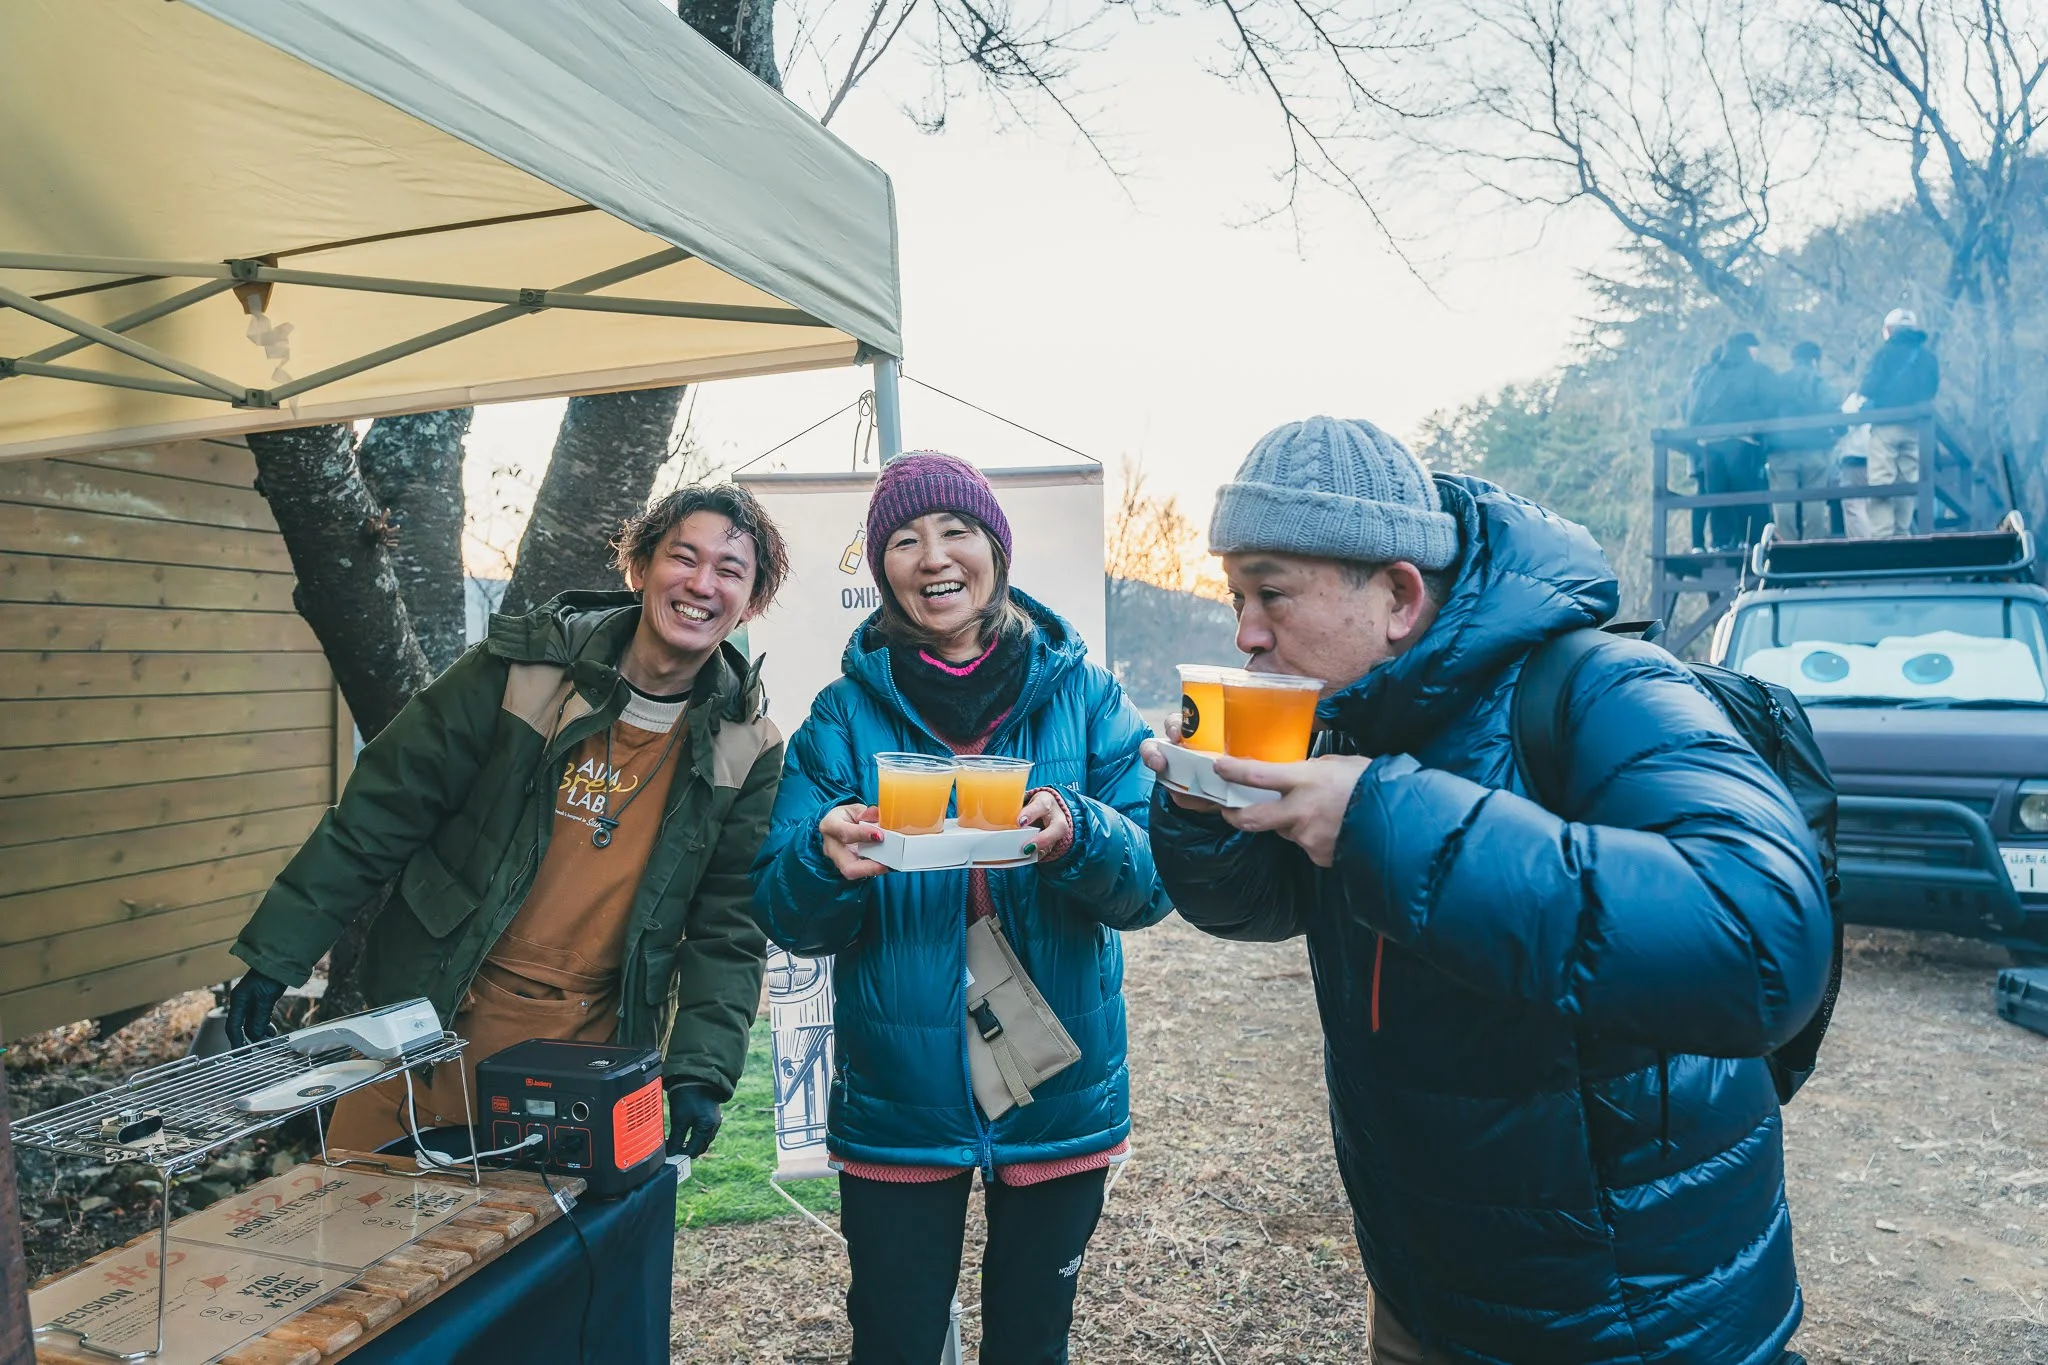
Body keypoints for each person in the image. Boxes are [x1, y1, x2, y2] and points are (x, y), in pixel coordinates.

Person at [1143, 417, 1833, 1364]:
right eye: (1236, 597)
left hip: (1629, 1322)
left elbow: (1763, 940)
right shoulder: (1344, 717)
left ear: (1396, 593)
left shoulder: (1601, 687)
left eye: (1270, 594)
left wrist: (1385, 819)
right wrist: (1198, 807)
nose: (1245, 631)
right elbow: (1260, 907)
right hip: (1426, 1295)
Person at [224, 485, 790, 1163]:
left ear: (751, 600)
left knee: (525, 1257)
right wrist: (278, 953)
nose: (701, 584)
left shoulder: (748, 746)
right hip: (430, 1011)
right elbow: (383, 805)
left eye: (730, 570)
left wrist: (702, 1069)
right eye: (683, 557)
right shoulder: (521, 671)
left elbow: (728, 927)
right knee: (361, 1228)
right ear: (639, 568)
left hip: (584, 1056)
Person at [752, 452, 1171, 1365]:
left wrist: (1079, 832)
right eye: (903, 539)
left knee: (1031, 1340)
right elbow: (787, 911)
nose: (932, 556)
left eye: (955, 531)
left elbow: (1153, 880)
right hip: (903, 1097)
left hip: (1055, 1084)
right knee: (894, 1341)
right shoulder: (840, 718)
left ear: (995, 551)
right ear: (882, 570)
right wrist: (824, 862)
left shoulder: (1088, 698)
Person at [1845, 307, 1940, 537]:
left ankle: (1883, 536)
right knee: (1908, 480)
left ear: (1888, 329)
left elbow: (1868, 386)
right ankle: (1902, 532)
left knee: (1881, 480)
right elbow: (1932, 388)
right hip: (1916, 427)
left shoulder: (1885, 352)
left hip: (1886, 425)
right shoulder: (1927, 356)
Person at [1684, 330, 1777, 551]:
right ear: (1749, 348)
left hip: (1711, 443)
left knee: (1717, 493)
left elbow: (1694, 410)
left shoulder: (1710, 374)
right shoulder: (1757, 371)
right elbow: (1771, 404)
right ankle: (1750, 542)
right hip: (1742, 440)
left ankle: (1721, 542)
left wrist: (1700, 430)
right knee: (1745, 491)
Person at [1768, 340, 1842, 540]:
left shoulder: (1778, 382)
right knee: (1814, 500)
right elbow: (1833, 407)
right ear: (1815, 359)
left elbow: (1766, 411)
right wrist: (1839, 431)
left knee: (1783, 500)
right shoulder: (1819, 381)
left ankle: (1786, 544)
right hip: (1815, 448)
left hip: (1781, 449)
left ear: (1793, 359)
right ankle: (1813, 543)